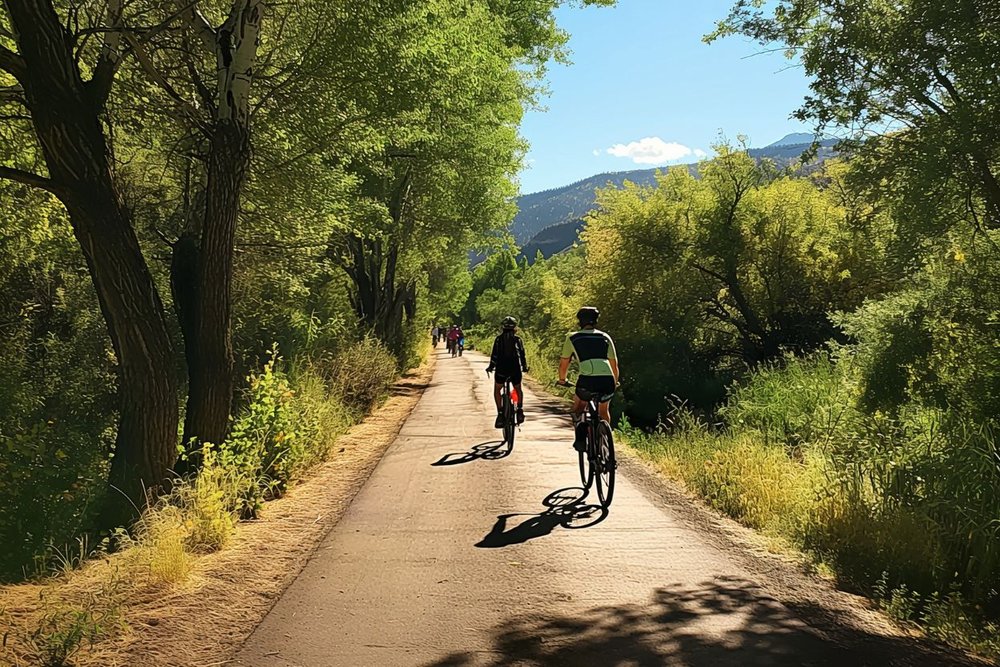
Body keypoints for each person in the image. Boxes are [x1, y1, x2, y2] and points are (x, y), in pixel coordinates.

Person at [556, 306, 619, 451]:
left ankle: (581, 438)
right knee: (604, 411)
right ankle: (605, 444)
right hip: (607, 380)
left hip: (587, 381)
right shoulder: (605, 337)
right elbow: (614, 364)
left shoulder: (572, 338)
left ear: (580, 321)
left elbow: (564, 363)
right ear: (596, 321)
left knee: (578, 407)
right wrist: (614, 382)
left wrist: (562, 379)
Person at [485, 316, 528, 427]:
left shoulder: (498, 339)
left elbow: (494, 355)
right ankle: (519, 410)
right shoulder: (518, 340)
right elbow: (522, 355)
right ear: (515, 328)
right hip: (515, 369)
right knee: (518, 389)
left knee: (497, 390)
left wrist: (491, 367)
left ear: (502, 327)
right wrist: (524, 366)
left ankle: (500, 414)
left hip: (501, 370)